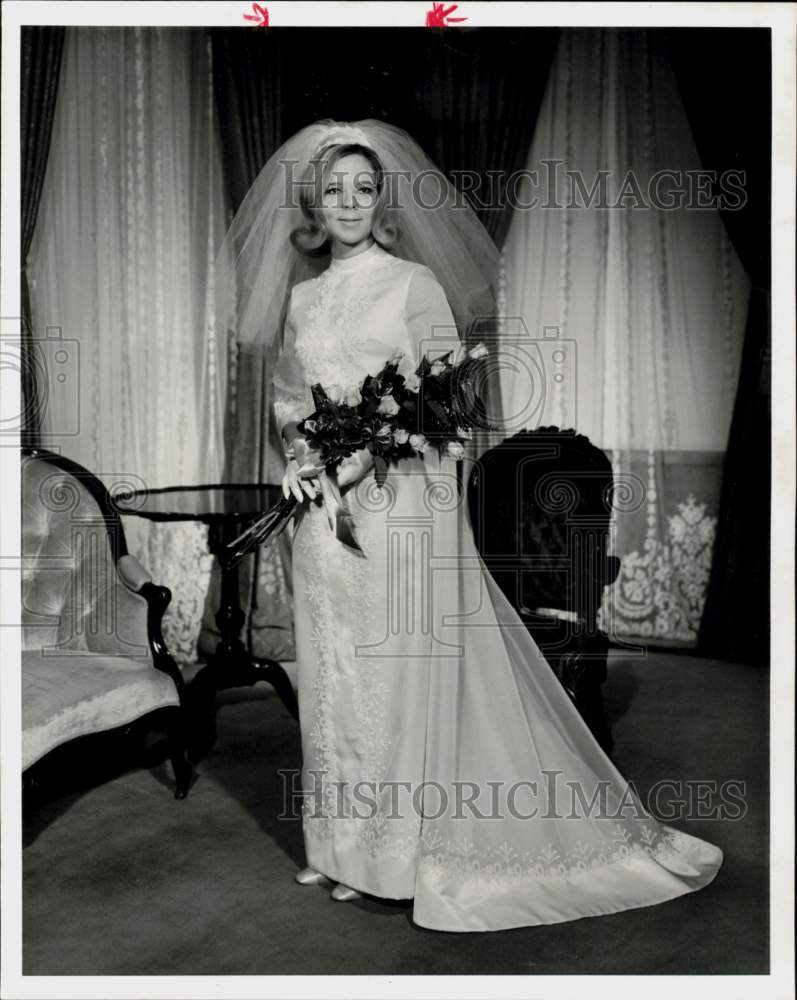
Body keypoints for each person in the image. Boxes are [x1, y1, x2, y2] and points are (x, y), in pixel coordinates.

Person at [216, 119, 723, 933]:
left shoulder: (413, 285)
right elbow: (289, 404)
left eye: (363, 187)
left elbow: (447, 411)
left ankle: (395, 857)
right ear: (313, 202)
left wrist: (363, 461)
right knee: (334, 681)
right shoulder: (303, 298)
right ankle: (341, 850)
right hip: (323, 525)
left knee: (393, 681)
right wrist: (298, 458)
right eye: (334, 189)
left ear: (382, 199)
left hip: (398, 515)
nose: (348, 202)